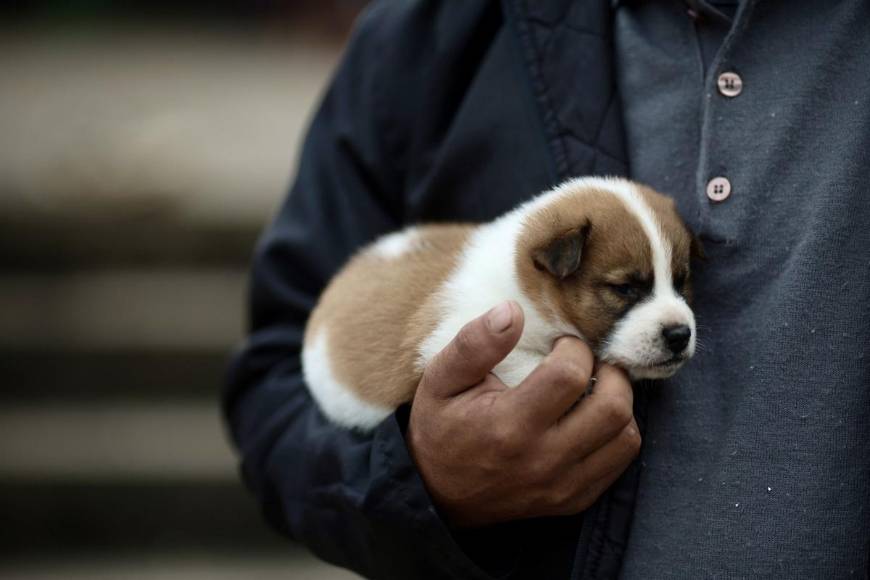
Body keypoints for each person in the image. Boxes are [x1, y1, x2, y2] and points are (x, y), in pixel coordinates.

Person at [224, 1, 870, 577]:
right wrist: (420, 481)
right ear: (552, 266)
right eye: (627, 289)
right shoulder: (428, 34)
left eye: (680, 283)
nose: (675, 319)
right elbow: (277, 391)